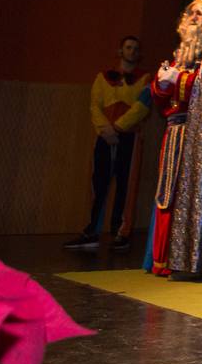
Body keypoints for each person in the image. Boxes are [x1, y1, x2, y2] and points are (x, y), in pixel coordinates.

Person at [144, 0, 202, 276]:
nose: (194, 17)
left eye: (201, 14)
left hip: (201, 137)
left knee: (192, 195)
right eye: (191, 12)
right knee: (167, 192)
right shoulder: (181, 56)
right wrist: (162, 84)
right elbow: (161, 99)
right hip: (174, 132)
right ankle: (161, 259)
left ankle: (186, 259)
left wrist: (181, 80)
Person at [64, 37, 150, 251]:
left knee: (125, 185)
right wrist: (105, 129)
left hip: (128, 136)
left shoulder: (145, 79)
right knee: (98, 182)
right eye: (128, 47)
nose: (132, 51)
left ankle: (121, 232)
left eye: (135, 49)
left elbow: (142, 107)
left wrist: (119, 127)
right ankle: (92, 230)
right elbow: (95, 106)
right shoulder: (102, 78)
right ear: (120, 50)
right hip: (105, 136)